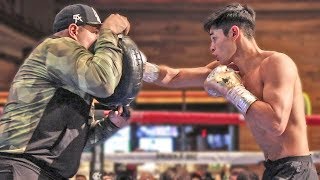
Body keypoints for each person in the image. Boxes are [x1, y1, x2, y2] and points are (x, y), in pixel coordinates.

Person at [143, 3, 318, 179]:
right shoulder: (227, 69)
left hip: (296, 169)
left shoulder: (276, 63)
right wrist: (139, 69)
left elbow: (275, 124)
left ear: (234, 33)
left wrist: (233, 89)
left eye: (214, 38)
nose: (211, 47)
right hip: (273, 168)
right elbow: (174, 77)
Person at [0, 4, 131, 180]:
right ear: (73, 30)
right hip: (23, 166)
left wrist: (110, 125)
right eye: (95, 32)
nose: (99, 38)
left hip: (42, 171)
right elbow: (103, 83)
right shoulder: (57, 46)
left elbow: (74, 143)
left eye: (101, 33)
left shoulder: (76, 80)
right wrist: (109, 33)